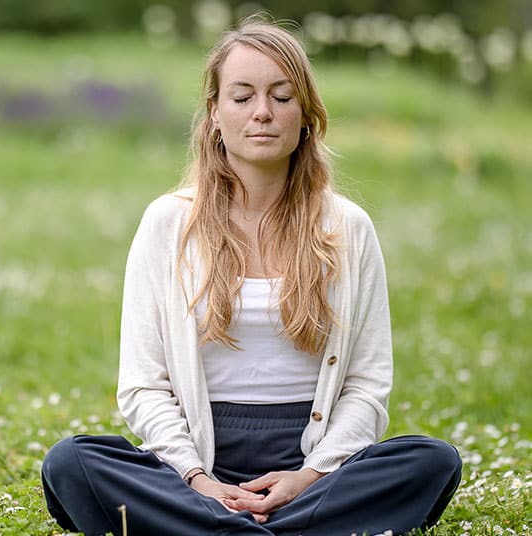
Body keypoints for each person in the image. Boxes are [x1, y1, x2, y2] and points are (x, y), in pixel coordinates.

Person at [41, 16, 462, 536]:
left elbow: (366, 387)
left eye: (282, 97)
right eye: (242, 97)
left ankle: (217, 529)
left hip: (308, 460)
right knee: (71, 463)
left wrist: (311, 474)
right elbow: (144, 386)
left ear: (306, 115)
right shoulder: (167, 223)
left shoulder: (348, 228)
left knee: (432, 461)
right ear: (214, 113)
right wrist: (198, 480)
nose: (262, 112)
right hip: (195, 457)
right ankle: (260, 526)